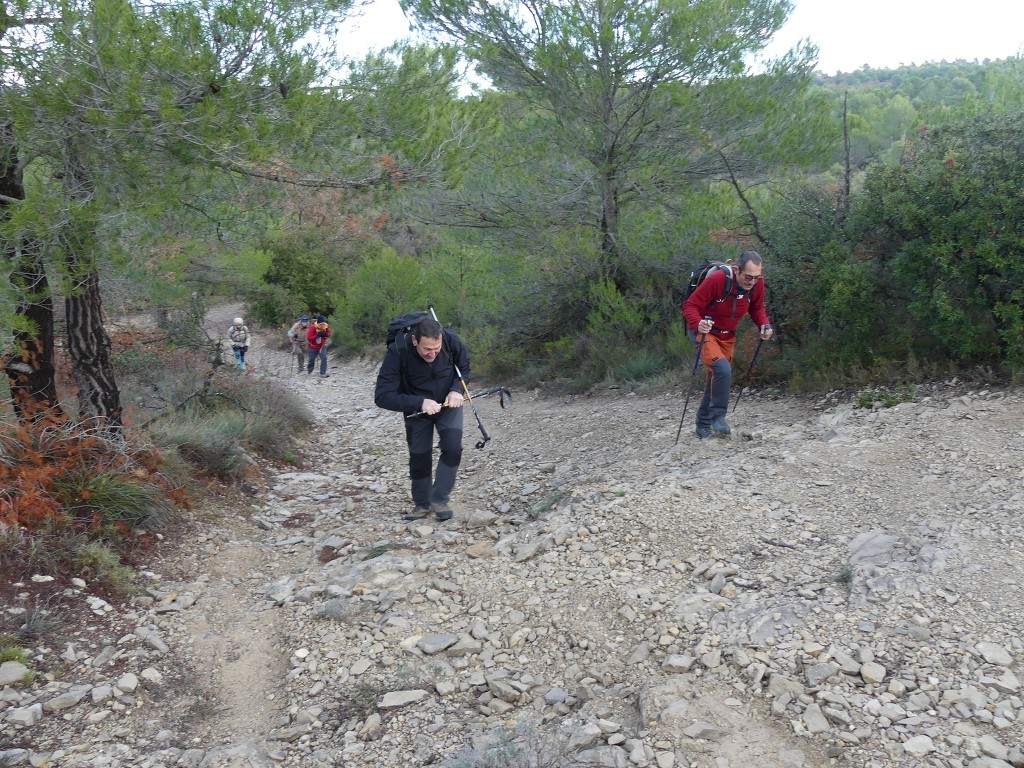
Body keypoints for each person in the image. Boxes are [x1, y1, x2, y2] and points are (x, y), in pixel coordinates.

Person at [374, 317, 469, 521]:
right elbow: (382, 397)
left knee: (453, 449)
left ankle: (439, 499)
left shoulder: (452, 341)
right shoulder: (397, 352)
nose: (432, 354)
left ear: (441, 339)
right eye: (427, 349)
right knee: (419, 456)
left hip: (448, 405)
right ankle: (422, 504)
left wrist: (457, 390)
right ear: (415, 341)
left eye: (436, 348)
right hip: (417, 410)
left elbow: (464, 371)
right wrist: (419, 403)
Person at [682, 250, 773, 439]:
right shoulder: (718, 280)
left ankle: (702, 424)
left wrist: (764, 324)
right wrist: (698, 322)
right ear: (738, 271)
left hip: (727, 336)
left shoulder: (757, 285)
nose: (752, 282)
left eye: (756, 277)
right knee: (722, 370)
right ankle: (718, 419)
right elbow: (690, 306)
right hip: (704, 331)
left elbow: (757, 308)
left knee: (716, 377)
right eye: (748, 277)